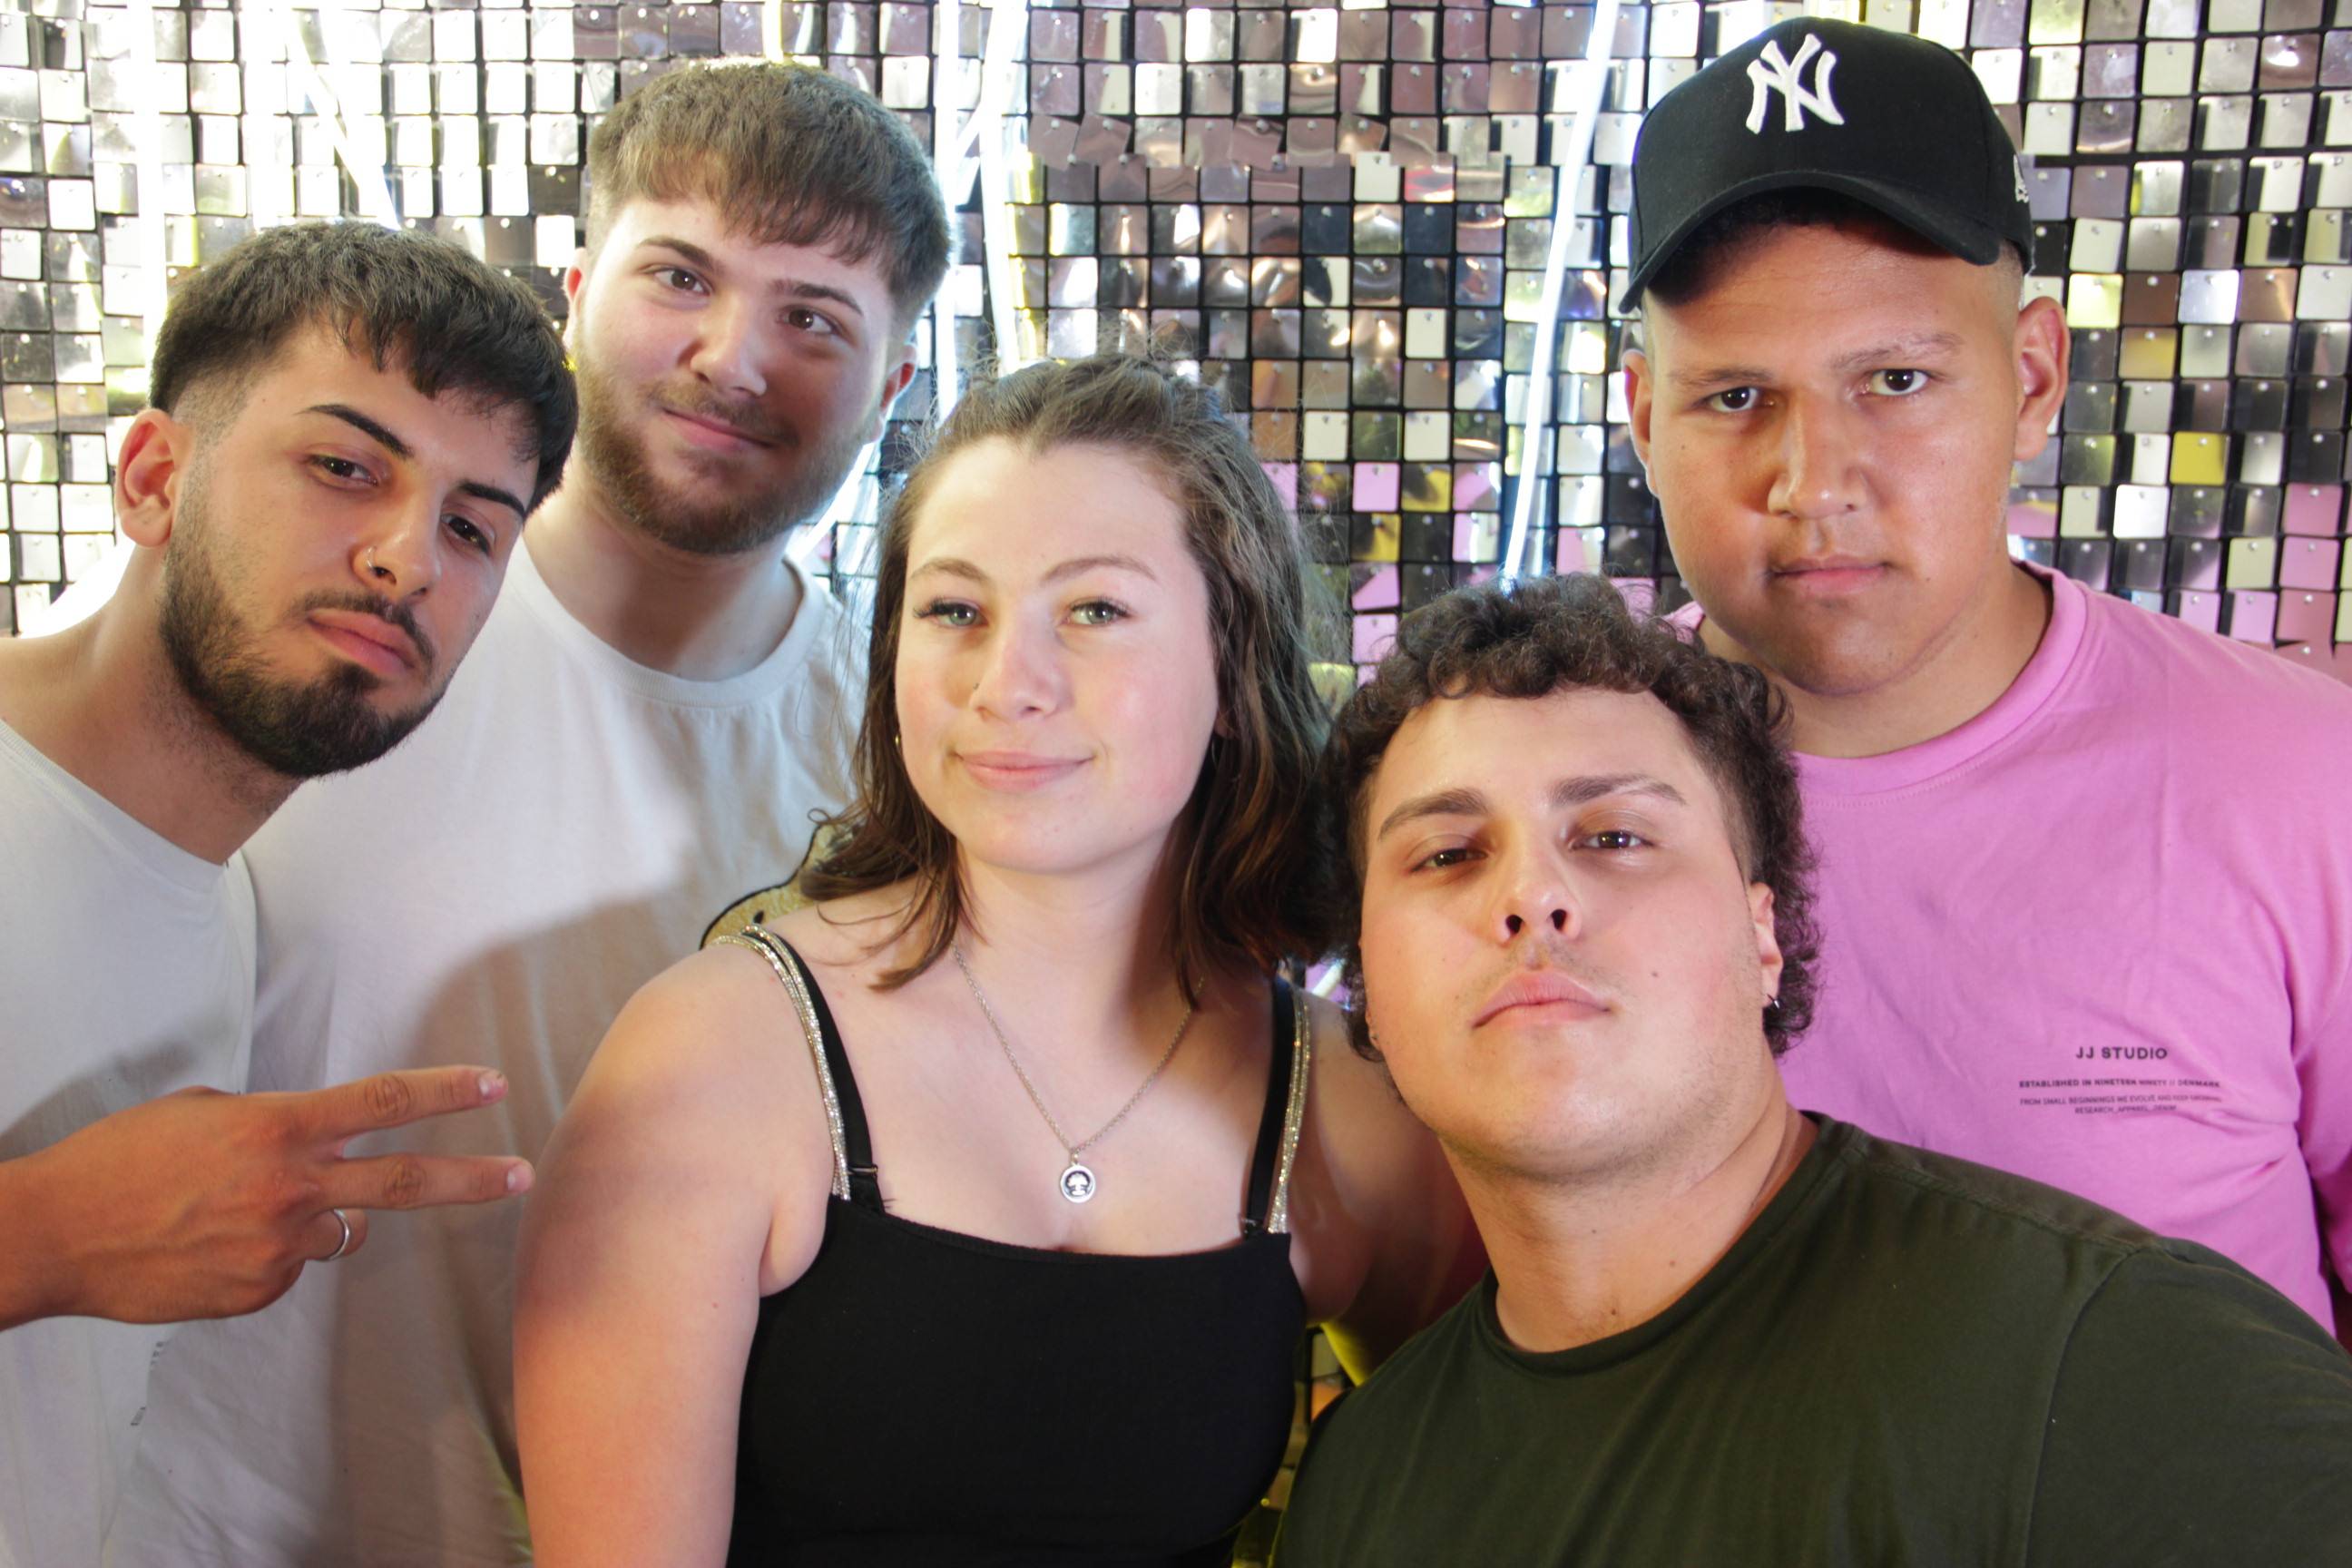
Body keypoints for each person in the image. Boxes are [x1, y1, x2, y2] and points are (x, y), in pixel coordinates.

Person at [106, 64, 951, 1567]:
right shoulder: (319, 616)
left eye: (815, 317)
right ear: (575, 295)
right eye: (678, 276)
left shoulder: (917, 752)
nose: (730, 358)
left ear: (892, 389)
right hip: (201, 1526)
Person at [514, 354, 1475, 1566]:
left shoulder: (1342, 1108)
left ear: (1232, 669)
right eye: (955, 611)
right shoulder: (713, 1058)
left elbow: (1509, 1464)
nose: (1006, 684)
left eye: (1095, 611)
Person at [1275, 573, 2352, 1566]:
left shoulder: (2121, 1360)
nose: (1531, 897)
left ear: (1763, 939)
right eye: (1447, 855)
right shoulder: (1362, 1481)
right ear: (1365, 978)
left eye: (1614, 837)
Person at [1620, 17, 2352, 1338]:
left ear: (2032, 377)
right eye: (1734, 397)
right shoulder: (1545, 814)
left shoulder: (2303, 778)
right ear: (1641, 418)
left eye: (1896, 379)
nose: (1813, 483)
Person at [0, 221, 573, 1568]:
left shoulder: (225, 908)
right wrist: (45, 1235)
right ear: (154, 478)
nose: (407, 558)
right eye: (343, 468)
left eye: (472, 527)